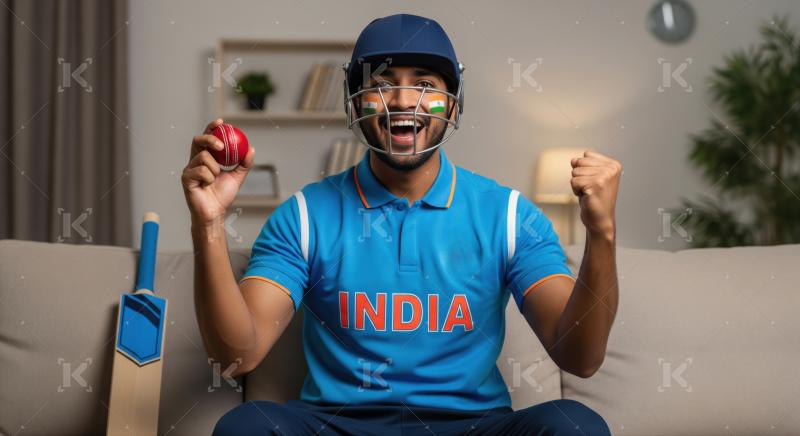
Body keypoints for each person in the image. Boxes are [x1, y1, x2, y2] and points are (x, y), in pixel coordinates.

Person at [182, 13, 620, 436]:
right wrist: (209, 223)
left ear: (453, 101)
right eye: (382, 85)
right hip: (338, 423)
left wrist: (602, 235)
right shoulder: (305, 215)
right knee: (245, 425)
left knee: (575, 423)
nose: (403, 101)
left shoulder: (507, 215)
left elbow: (579, 358)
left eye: (425, 85)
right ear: (356, 102)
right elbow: (237, 358)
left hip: (473, 425)